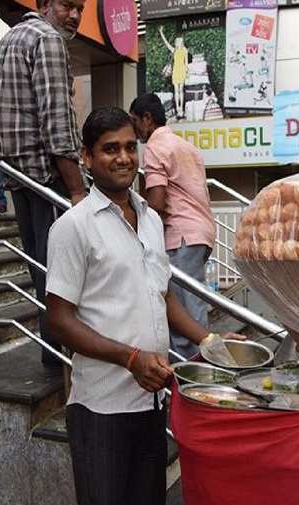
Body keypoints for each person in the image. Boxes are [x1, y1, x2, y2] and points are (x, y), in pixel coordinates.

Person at [46, 107, 242, 505]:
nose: (123, 158)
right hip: (101, 408)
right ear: (86, 157)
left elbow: (163, 295)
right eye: (109, 149)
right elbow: (59, 321)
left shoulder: (151, 219)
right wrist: (130, 357)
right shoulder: (73, 226)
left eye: (129, 148)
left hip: (151, 402)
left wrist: (208, 339)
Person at [0, 0, 87, 367]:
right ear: (46, 4)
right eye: (68, 5)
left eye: (80, 8)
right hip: (48, 178)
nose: (75, 15)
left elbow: (3, 113)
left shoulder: (9, 39)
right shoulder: (46, 39)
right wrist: (77, 188)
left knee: (41, 271)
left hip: (18, 176)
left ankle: (52, 352)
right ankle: (64, 355)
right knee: (62, 275)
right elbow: (56, 121)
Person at [129, 93, 216, 360]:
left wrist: (133, 225)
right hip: (201, 232)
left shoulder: (155, 146)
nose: (133, 131)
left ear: (147, 118)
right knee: (195, 306)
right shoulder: (184, 146)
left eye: (134, 122)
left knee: (183, 315)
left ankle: (190, 380)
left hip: (180, 236)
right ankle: (205, 370)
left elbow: (156, 201)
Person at [159, 26, 188, 119]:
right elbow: (166, 43)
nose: (178, 43)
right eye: (177, 42)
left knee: (181, 91)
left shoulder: (184, 50)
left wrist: (188, 72)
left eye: (179, 41)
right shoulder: (174, 50)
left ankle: (181, 110)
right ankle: (178, 109)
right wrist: (161, 33)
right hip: (176, 71)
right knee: (176, 91)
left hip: (182, 70)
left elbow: (186, 63)